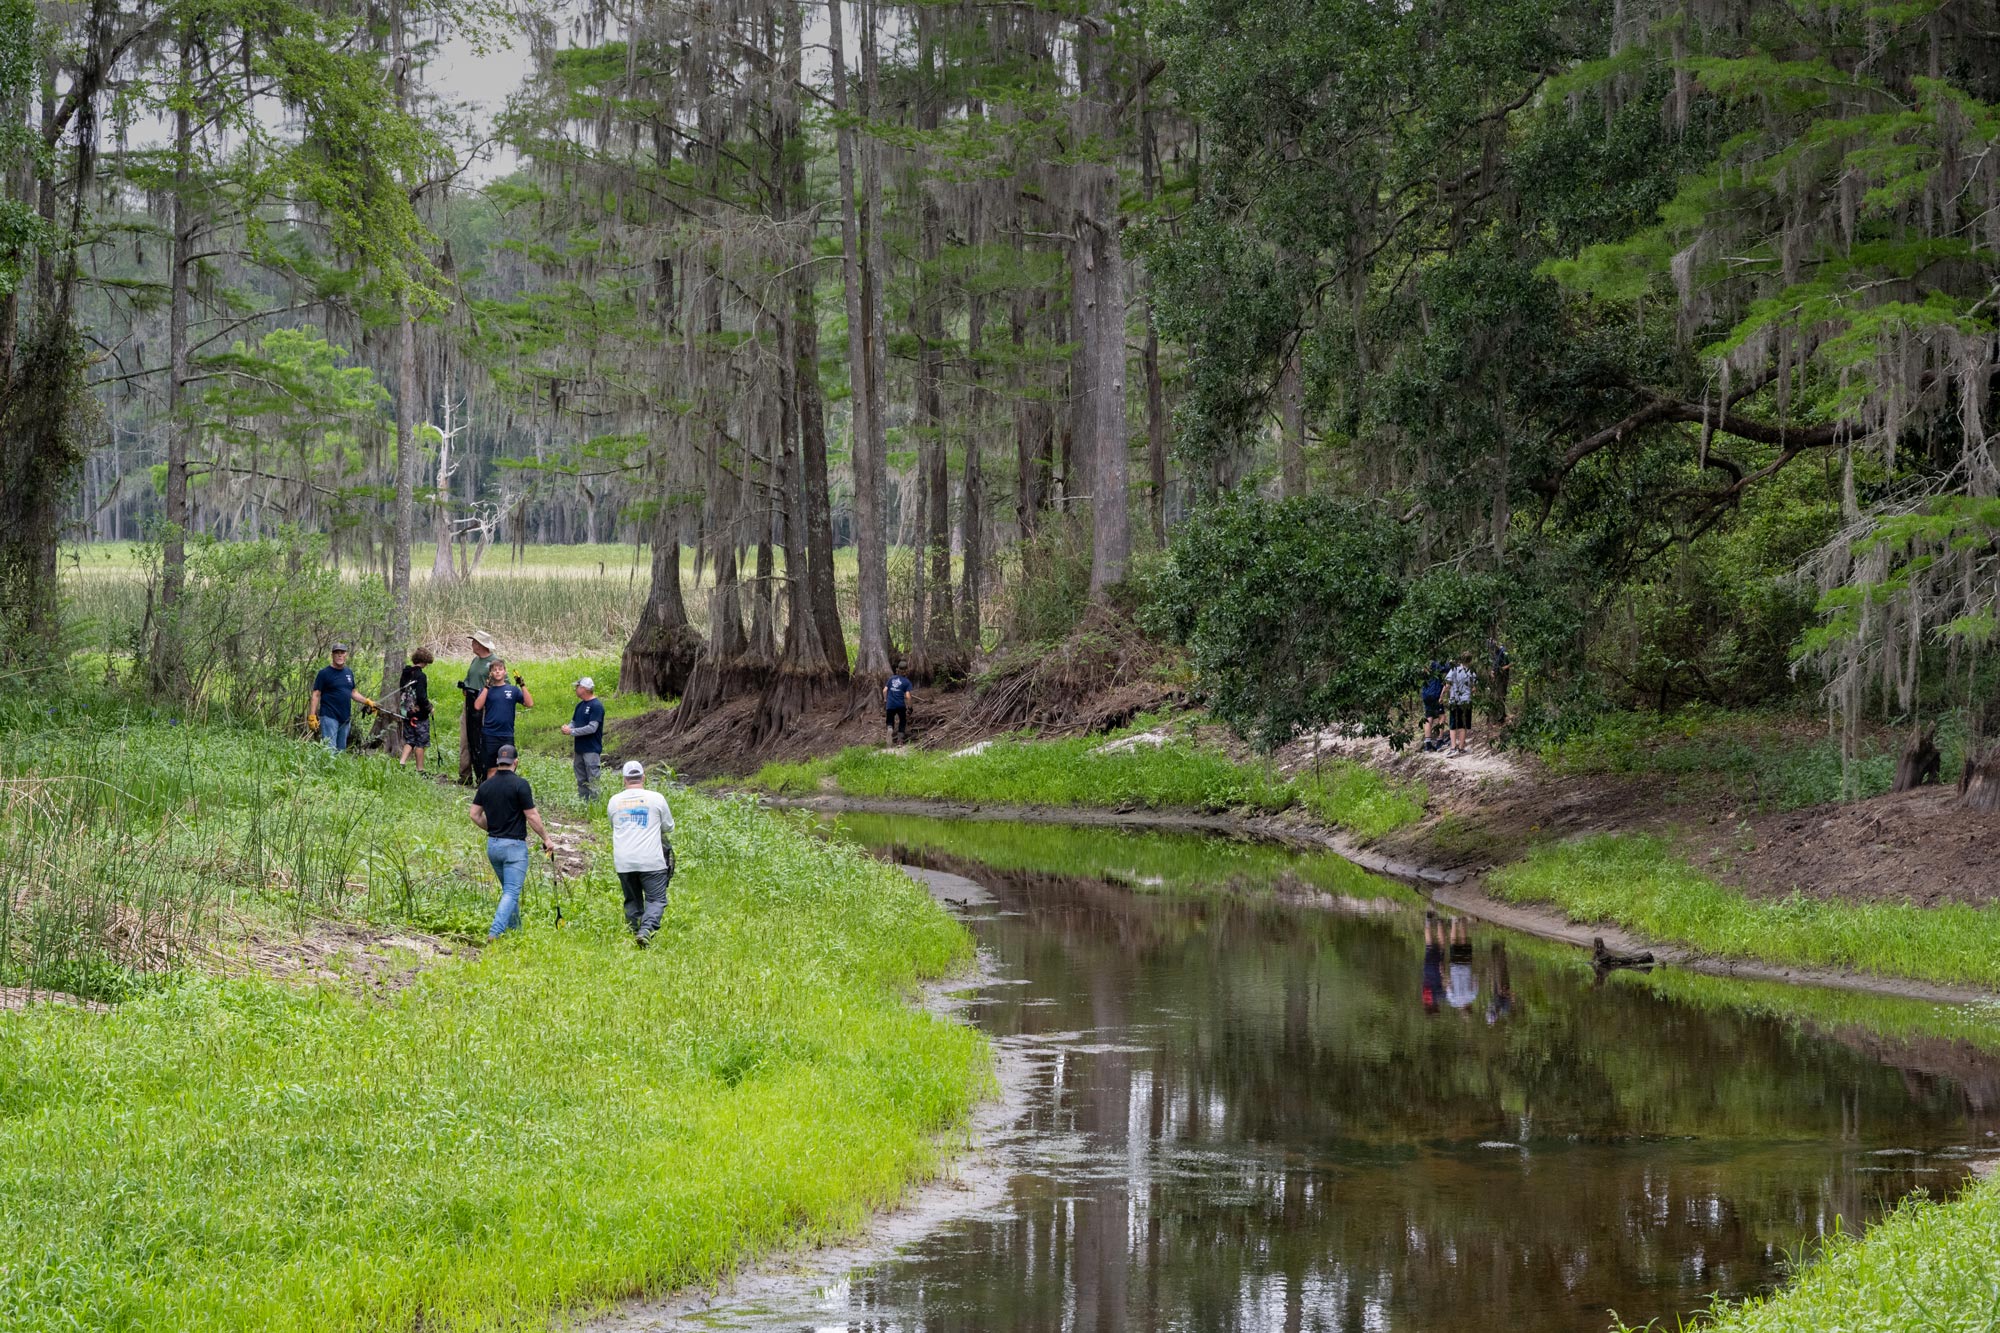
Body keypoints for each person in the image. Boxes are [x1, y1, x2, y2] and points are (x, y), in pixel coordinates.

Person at [469, 743, 552, 940]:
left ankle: (516, 931)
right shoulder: (520, 785)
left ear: (498, 762)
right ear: (516, 762)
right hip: (514, 847)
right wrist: (546, 838)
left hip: (494, 847)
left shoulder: (486, 785)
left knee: (509, 890)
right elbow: (531, 816)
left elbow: (474, 814)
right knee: (512, 892)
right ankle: (495, 931)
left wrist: (491, 827)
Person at [607, 759, 674, 946]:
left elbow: (614, 825)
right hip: (651, 860)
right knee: (656, 899)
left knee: (632, 899)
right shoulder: (656, 798)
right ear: (643, 777)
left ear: (624, 780)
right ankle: (645, 931)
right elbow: (668, 826)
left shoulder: (614, 801)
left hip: (624, 861)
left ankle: (635, 931)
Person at [473, 659, 533, 779]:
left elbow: (529, 703)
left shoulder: (513, 690)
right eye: (494, 670)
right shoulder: (486, 690)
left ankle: (506, 793)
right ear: (490, 673)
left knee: (508, 767)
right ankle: (491, 794)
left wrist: (522, 685)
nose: (497, 672)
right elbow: (477, 706)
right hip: (490, 734)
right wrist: (486, 686)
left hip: (506, 734)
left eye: (500, 669)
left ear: (505, 672)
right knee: (492, 768)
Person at [458, 631, 497, 785]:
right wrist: (465, 686)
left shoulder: (494, 662)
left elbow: (502, 683)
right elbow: (470, 678)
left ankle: (484, 776)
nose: (472, 644)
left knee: (481, 740)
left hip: (484, 706)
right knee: (465, 738)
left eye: (474, 642)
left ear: (481, 645)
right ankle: (465, 775)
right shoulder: (475, 661)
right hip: (469, 703)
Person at [561, 676, 607, 800]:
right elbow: (574, 722)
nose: (575, 689)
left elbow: (592, 728)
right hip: (579, 749)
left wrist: (572, 731)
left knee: (593, 780)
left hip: (591, 749)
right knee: (581, 779)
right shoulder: (579, 705)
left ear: (584, 689)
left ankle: (595, 805)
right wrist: (567, 727)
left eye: (577, 687)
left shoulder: (596, 706)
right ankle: (583, 803)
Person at [307, 643, 358, 754]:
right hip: (329, 715)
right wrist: (312, 716)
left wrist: (368, 702)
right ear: (332, 655)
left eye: (342, 653)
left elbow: (353, 692)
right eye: (337, 653)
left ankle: (337, 771)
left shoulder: (349, 673)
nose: (339, 655)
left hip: (345, 717)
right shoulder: (324, 673)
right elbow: (316, 694)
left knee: (341, 749)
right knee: (330, 749)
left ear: (346, 655)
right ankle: (326, 770)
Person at [398, 648, 434, 771]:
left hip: (406, 713)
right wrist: (429, 708)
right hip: (419, 715)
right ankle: (420, 769)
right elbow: (421, 696)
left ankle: (402, 763)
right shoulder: (421, 676)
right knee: (421, 742)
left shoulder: (406, 673)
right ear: (425, 662)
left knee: (410, 739)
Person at [1445, 653, 1477, 755]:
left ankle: (1453, 748)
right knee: (1463, 725)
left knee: (1453, 725)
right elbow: (1474, 688)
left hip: (1454, 700)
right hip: (1466, 701)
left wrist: (1442, 696)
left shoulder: (1453, 670)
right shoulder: (1471, 672)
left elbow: (1447, 684)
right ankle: (1461, 748)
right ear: (1470, 661)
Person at [1445, 916, 1478, 1014]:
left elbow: (1475, 981)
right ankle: (1454, 921)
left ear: (1470, 1007)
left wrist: (1475, 974)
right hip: (1455, 967)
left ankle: (1462, 920)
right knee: (1453, 942)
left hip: (1466, 965)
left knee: (1463, 941)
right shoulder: (1453, 1001)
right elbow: (1448, 987)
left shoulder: (1472, 997)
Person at [1421, 910, 1446, 1015]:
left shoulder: (1436, 998)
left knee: (1441, 944)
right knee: (1429, 944)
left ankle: (1440, 919)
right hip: (1426, 968)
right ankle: (1427, 921)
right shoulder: (1424, 998)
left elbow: (1447, 993)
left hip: (1437, 969)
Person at [1420, 659, 1447, 752]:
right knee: (1442, 716)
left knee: (1428, 717)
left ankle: (1428, 744)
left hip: (1425, 694)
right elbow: (1447, 667)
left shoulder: (1422, 665)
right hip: (1435, 694)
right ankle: (1440, 741)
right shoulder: (1435, 664)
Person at [882, 665, 914, 743]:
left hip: (890, 705)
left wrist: (885, 700)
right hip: (900, 705)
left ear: (897, 670)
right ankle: (900, 740)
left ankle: (890, 728)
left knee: (890, 720)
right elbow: (908, 696)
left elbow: (884, 690)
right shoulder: (906, 681)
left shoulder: (891, 679)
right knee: (902, 721)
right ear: (906, 671)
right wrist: (910, 707)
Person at [1487, 637, 1512, 727]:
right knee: (1495, 695)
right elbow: (1493, 664)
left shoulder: (1503, 651)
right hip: (1496, 676)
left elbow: (1512, 662)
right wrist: (1492, 672)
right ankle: (1501, 715)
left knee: (1501, 695)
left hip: (1503, 676)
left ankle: (1501, 718)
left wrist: (1503, 668)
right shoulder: (1493, 654)